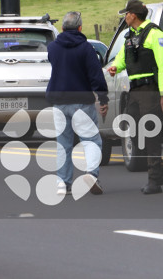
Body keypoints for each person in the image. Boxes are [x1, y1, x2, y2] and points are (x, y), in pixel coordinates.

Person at [107, 0, 163, 195]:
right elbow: (123, 58)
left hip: (150, 90)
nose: (125, 16)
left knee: (151, 133)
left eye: (126, 13)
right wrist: (115, 66)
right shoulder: (130, 36)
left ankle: (154, 179)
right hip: (134, 92)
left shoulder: (154, 34)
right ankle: (159, 173)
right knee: (131, 129)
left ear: (133, 15)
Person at [46, 11, 108, 196]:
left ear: (63, 28)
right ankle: (91, 176)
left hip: (59, 101)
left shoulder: (53, 48)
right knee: (91, 141)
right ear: (80, 27)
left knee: (63, 143)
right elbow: (96, 76)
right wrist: (103, 98)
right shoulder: (86, 48)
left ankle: (63, 183)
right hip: (81, 102)